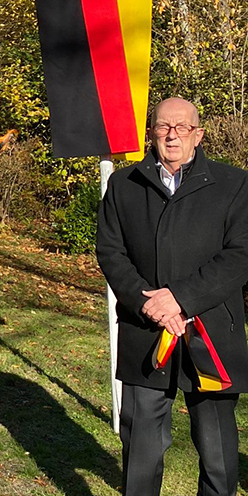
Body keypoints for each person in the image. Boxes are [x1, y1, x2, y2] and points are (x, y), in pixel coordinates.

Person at [96, 97, 248, 496]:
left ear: (198, 134)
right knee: (141, 452)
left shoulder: (235, 184)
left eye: (182, 127)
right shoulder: (123, 185)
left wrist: (178, 298)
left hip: (212, 335)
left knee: (217, 456)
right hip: (145, 332)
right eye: (164, 126)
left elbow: (240, 256)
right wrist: (149, 302)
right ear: (153, 132)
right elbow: (111, 252)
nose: (172, 135)